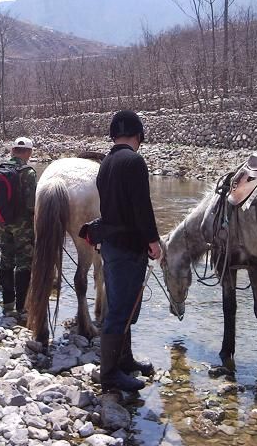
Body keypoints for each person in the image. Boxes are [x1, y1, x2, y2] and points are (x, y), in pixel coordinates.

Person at [96, 110, 162, 392]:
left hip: (110, 245)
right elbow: (141, 207)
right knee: (121, 309)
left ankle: (125, 361)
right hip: (128, 246)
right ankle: (110, 373)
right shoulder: (134, 162)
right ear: (138, 136)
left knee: (121, 304)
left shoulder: (105, 163)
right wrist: (153, 241)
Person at [0, 136, 37, 317]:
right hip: (22, 225)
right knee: (23, 263)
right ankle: (22, 307)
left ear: (13, 151)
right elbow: (31, 204)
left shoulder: (0, 169)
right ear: (28, 152)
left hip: (2, 222)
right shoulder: (28, 172)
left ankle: (7, 304)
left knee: (6, 259)